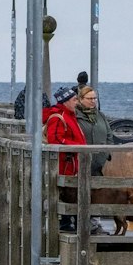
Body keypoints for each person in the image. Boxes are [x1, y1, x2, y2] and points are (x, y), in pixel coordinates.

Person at [42, 84, 88, 230]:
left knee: (72, 193)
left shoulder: (70, 116)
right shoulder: (58, 117)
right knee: (67, 193)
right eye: (74, 99)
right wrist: (77, 146)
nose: (77, 102)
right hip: (65, 164)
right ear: (66, 101)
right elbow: (55, 139)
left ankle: (73, 222)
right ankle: (66, 223)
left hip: (73, 163)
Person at [74, 85, 111, 166]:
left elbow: (109, 136)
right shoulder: (75, 116)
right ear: (81, 99)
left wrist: (107, 154)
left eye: (95, 98)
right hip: (81, 161)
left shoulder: (101, 116)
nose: (93, 101)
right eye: (90, 99)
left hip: (101, 162)